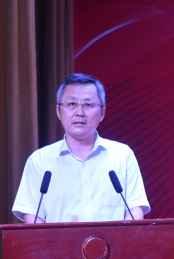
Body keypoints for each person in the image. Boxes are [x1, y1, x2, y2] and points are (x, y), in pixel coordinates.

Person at [12, 73, 150, 223]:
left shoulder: (122, 156)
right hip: (58, 240)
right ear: (58, 111)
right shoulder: (39, 161)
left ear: (102, 113)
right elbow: (33, 216)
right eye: (71, 104)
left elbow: (134, 210)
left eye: (88, 105)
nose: (79, 113)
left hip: (113, 240)